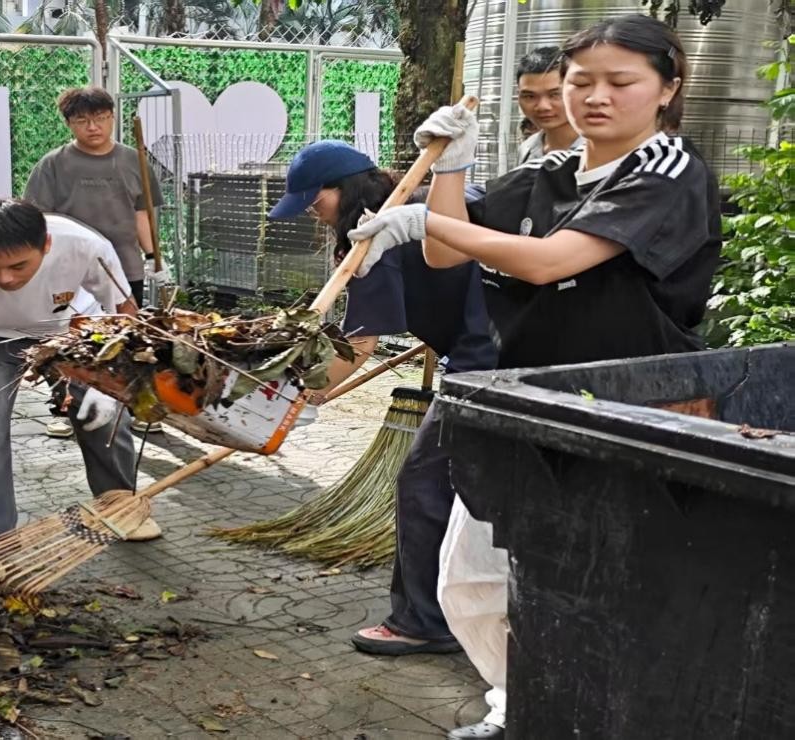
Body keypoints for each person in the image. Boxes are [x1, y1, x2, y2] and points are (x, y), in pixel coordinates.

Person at [349, 15, 721, 739]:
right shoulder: (549, 172)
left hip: (630, 409)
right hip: (526, 399)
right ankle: (521, 705)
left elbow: (548, 263)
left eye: (620, 82)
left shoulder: (668, 171)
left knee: (601, 582)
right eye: (583, 81)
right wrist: (450, 169)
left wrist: (423, 221)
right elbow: (448, 255)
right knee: (474, 577)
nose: (596, 97)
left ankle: (598, 717)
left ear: (667, 88)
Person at [267, 141, 498, 655]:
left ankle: (425, 622)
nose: (312, 210)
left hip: (484, 361)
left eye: (315, 198)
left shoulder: (373, 236)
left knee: (425, 484)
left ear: (346, 188)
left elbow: (360, 343)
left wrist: (294, 396)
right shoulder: (423, 199)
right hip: (511, 344)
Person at [0, 198, 163, 584]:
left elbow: (124, 310)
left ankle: (119, 504)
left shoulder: (85, 245)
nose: (4, 279)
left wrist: (115, 382)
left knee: (103, 417)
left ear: (46, 245)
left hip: (75, 330)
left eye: (18, 266)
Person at [23, 86, 166, 437]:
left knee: (130, 339)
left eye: (101, 118)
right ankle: (64, 407)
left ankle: (135, 408)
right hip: (70, 272)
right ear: (69, 123)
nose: (93, 127)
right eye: (82, 120)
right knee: (67, 340)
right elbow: (40, 221)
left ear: (113, 117)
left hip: (125, 268)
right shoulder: (53, 165)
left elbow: (143, 216)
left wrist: (154, 258)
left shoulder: (135, 161)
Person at [515, 46, 582, 164]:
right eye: (530, 96)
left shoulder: (603, 148)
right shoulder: (527, 149)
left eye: (555, 94)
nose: (543, 106)